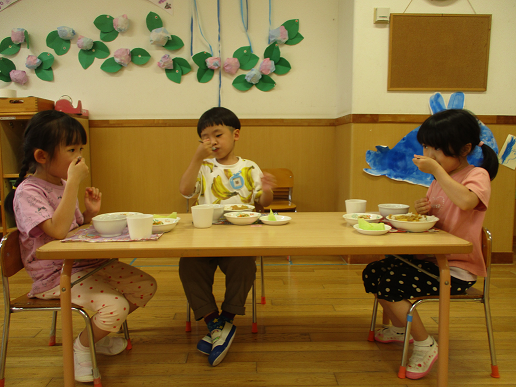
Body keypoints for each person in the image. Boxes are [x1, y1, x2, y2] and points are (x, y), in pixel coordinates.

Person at [5, 110, 157, 383]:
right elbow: (57, 231)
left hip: (81, 265)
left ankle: (95, 336)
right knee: (115, 306)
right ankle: (82, 347)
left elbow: (72, 229)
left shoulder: (62, 184)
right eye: (71, 149)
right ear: (42, 156)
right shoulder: (28, 191)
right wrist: (74, 182)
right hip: (53, 276)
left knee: (145, 286)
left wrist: (88, 214)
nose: (79, 156)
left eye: (81, 149)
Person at [362, 109, 498, 379]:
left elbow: (467, 202)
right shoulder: (439, 180)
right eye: (426, 146)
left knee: (389, 283)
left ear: (464, 149)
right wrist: (423, 210)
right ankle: (402, 328)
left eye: (436, 148)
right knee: (374, 271)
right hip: (431, 259)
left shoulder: (477, 175)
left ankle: (425, 344)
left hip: (456, 269)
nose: (428, 153)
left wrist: (436, 171)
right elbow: (439, 217)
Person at [179, 107, 276, 366]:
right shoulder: (203, 166)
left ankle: (227, 319)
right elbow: (185, 192)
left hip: (240, 237)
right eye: (205, 137)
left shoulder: (249, 167)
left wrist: (266, 190)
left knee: (244, 266)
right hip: (206, 237)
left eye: (217, 134)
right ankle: (215, 322)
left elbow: (263, 203)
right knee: (188, 265)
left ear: (236, 135)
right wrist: (196, 159)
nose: (212, 141)